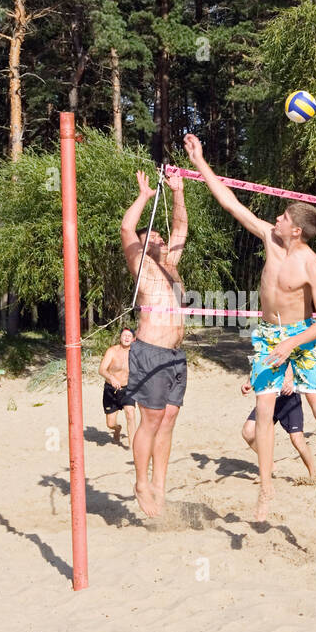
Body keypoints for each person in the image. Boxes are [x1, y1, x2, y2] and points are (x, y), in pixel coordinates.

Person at [185, 133, 316, 519]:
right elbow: (231, 203)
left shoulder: (311, 264)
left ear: (297, 230)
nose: (276, 218)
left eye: (284, 217)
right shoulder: (270, 240)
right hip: (268, 336)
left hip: (301, 338)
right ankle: (267, 491)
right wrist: (200, 162)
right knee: (262, 414)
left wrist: (292, 346)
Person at [121, 169, 188, 517]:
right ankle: (140, 483)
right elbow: (126, 230)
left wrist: (177, 190)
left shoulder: (170, 265)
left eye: (163, 238)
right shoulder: (143, 266)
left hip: (176, 356)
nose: (162, 240)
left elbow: (181, 229)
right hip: (151, 352)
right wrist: (145, 197)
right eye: (156, 238)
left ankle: (160, 487)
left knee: (169, 418)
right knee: (151, 420)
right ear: (146, 246)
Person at [240, 374, 316, 484]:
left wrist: (290, 380)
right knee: (248, 431)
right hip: (266, 397)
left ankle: (313, 474)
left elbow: (292, 360)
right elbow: (256, 363)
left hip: (287, 398)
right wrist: (248, 383)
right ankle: (269, 464)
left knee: (297, 439)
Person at [98, 328, 138, 446]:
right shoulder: (112, 351)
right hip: (111, 390)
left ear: (133, 339)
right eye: (124, 335)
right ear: (120, 337)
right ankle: (117, 429)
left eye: (129, 336)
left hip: (128, 389)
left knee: (130, 413)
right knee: (110, 423)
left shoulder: (136, 353)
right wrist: (111, 378)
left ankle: (132, 445)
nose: (126, 338)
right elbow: (101, 370)